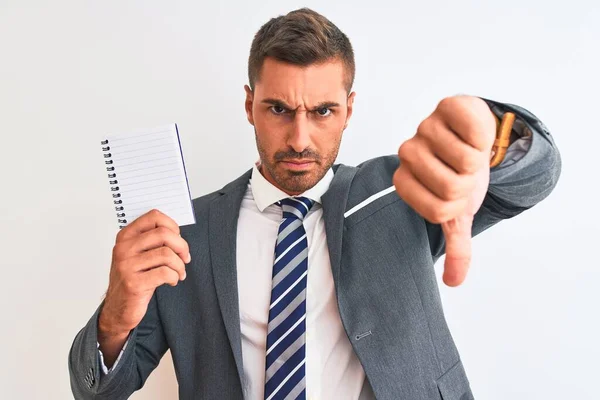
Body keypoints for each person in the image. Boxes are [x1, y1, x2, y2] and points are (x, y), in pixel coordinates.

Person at [69, 8, 561, 400]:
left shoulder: (400, 191)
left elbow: (534, 180)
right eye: (278, 109)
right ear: (249, 106)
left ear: (349, 109)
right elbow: (99, 391)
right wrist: (116, 313)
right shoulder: (184, 233)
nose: (299, 139)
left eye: (323, 111)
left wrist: (492, 140)